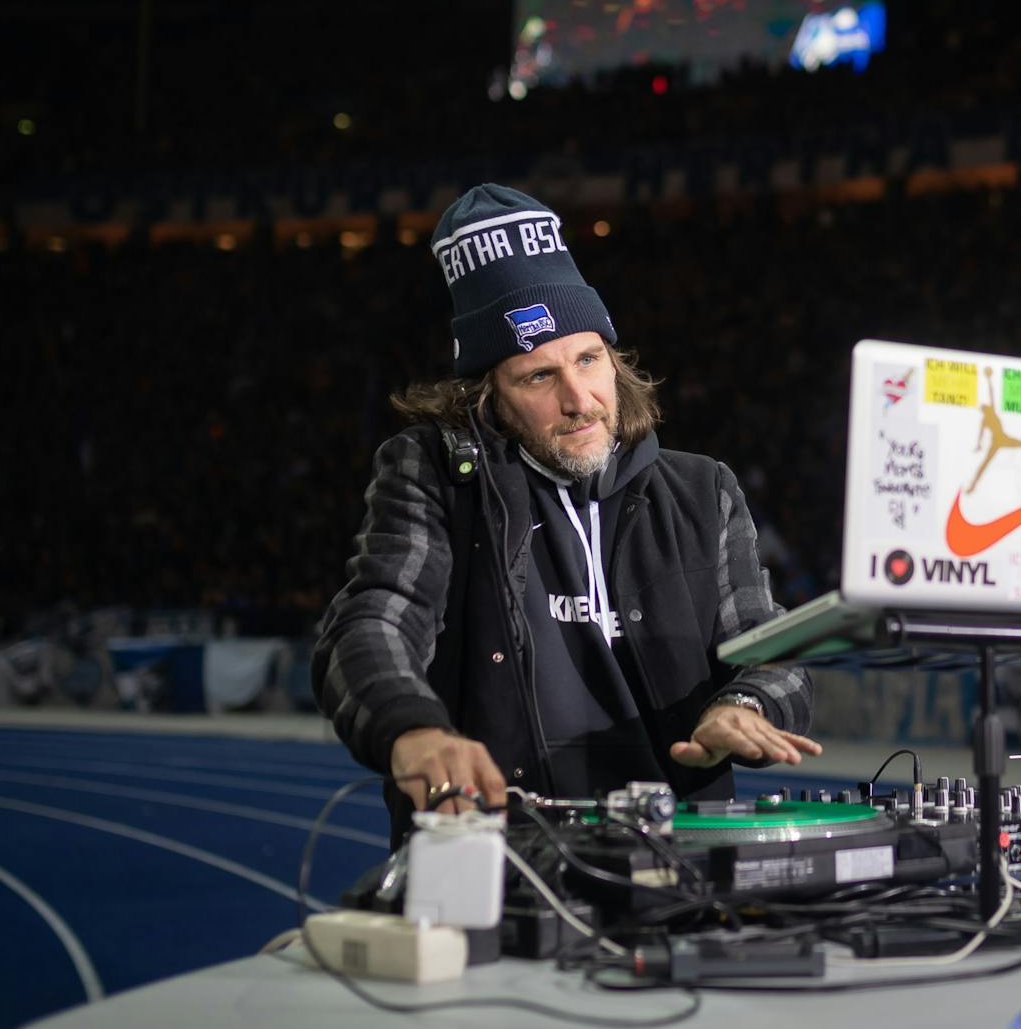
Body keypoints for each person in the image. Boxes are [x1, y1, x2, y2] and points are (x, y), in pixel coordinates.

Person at [312, 184, 820, 844]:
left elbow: (776, 653)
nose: (579, 399)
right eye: (538, 376)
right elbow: (372, 622)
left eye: (588, 359)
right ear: (487, 396)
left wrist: (744, 703)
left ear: (615, 359)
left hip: (679, 861)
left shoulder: (703, 490)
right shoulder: (434, 474)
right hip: (502, 855)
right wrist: (412, 728)